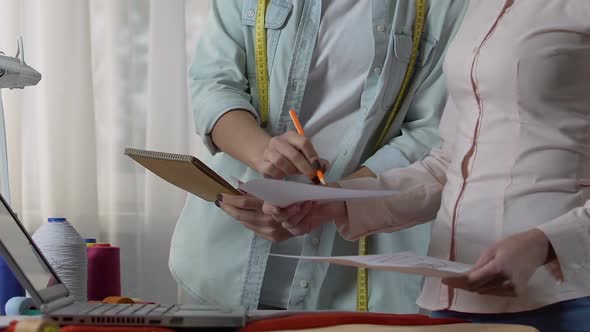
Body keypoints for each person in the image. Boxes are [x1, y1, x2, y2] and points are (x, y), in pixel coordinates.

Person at [236, 1, 590, 330]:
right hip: (454, 295)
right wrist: (340, 200)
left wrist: (545, 244)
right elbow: (447, 164)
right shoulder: (482, 7)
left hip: (563, 294)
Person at [170, 0, 466, 312]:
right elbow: (212, 83)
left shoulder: (443, 5)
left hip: (354, 279)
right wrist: (264, 153)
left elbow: (431, 132)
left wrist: (334, 201)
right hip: (224, 261)